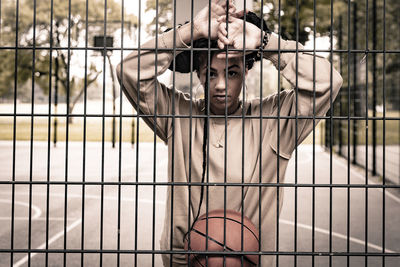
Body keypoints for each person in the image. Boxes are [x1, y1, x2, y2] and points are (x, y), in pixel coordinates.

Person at [116, 0, 343, 266]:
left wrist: (264, 41)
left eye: (232, 72)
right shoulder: (178, 116)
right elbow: (129, 71)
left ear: (247, 70)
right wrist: (189, 32)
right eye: (211, 73)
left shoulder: (274, 121)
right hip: (184, 261)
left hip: (250, 260)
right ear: (199, 75)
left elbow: (328, 81)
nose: (221, 85)